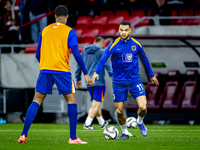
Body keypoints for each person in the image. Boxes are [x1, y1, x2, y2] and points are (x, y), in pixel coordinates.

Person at [17, 5, 93, 144]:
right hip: (61, 70)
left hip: (45, 70)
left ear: (55, 16)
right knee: (71, 101)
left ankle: (23, 135)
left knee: (36, 101)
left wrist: (45, 64)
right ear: (67, 17)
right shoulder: (70, 32)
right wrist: (86, 74)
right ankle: (73, 138)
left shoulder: (45, 30)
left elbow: (37, 54)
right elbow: (76, 53)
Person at [92, 21, 159, 139]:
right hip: (119, 82)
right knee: (119, 111)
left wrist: (151, 75)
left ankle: (139, 121)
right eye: (121, 30)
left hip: (134, 80)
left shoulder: (136, 44)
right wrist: (96, 72)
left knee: (143, 107)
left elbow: (145, 60)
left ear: (130, 31)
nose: (123, 32)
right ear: (119, 30)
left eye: (125, 30)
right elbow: (103, 59)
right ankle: (125, 132)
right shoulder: (113, 44)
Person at [75, 37, 113, 130]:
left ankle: (102, 123)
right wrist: (113, 77)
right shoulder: (102, 51)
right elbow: (108, 65)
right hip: (99, 82)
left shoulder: (84, 52)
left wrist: (78, 78)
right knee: (96, 104)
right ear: (102, 44)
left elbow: (79, 65)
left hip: (88, 82)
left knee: (96, 103)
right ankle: (87, 124)